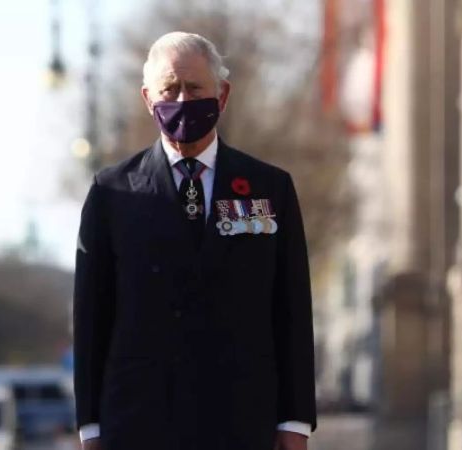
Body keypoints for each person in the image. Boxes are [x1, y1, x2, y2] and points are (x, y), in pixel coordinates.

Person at [73, 32, 317, 450]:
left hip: (242, 419)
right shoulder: (112, 193)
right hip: (139, 422)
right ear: (149, 99)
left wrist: (294, 420)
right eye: (170, 89)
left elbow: (290, 307)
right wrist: (91, 426)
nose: (183, 100)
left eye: (195, 88)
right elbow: (92, 316)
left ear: (222, 95)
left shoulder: (268, 188)